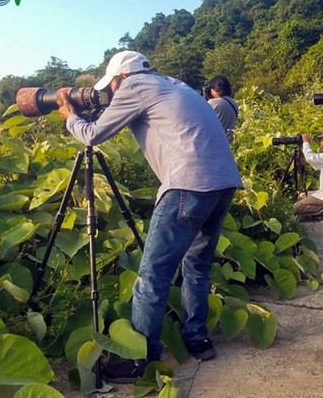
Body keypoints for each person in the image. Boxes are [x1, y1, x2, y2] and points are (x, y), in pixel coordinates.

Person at [55, 50, 243, 383]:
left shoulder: (133, 87)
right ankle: (197, 338)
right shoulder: (176, 85)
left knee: (152, 275)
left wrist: (70, 114)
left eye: (110, 87)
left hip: (188, 183)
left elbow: (92, 135)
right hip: (224, 183)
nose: (110, 95)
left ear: (120, 78)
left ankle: (142, 360)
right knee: (197, 265)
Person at [293, 128, 323, 223]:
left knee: (297, 207)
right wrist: (303, 147)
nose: (321, 143)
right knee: (301, 196)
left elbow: (310, 158)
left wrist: (306, 143)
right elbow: (316, 165)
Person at [205, 75, 239, 144]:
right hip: (229, 143)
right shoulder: (234, 102)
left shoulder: (212, 102)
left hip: (215, 143)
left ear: (215, 89)